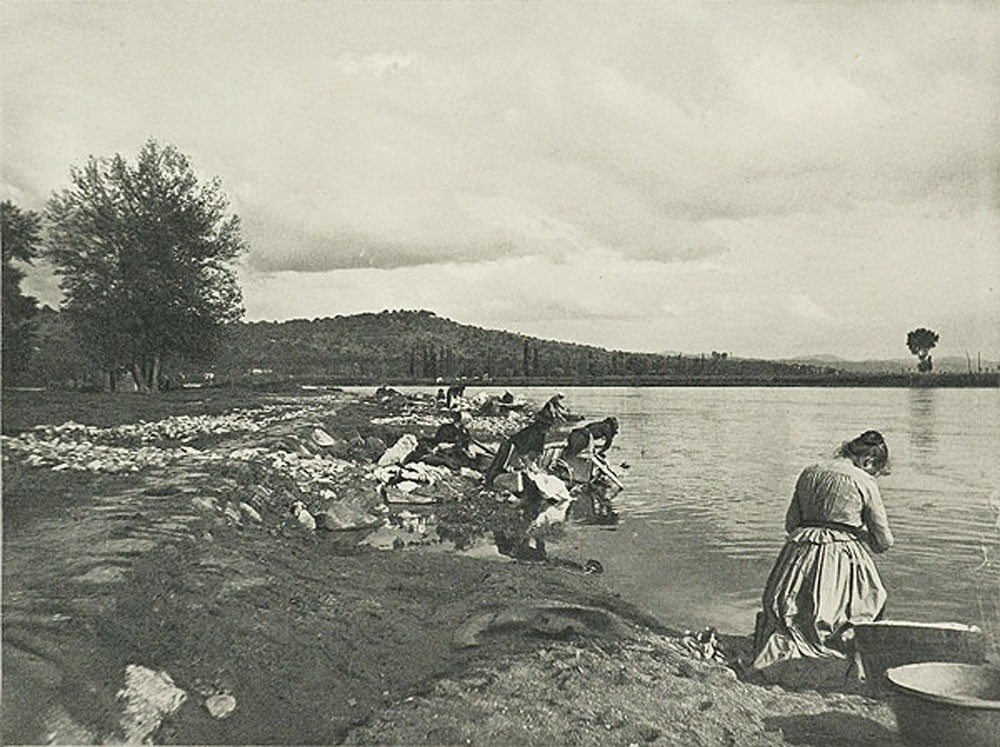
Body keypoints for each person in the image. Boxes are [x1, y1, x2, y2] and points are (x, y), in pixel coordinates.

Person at [752, 430, 894, 675]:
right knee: (871, 598)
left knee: (790, 612)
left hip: (798, 553)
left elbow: (791, 523)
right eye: (875, 471)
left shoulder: (810, 471)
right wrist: (857, 533)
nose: (873, 475)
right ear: (868, 461)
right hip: (839, 555)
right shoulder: (863, 481)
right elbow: (883, 542)